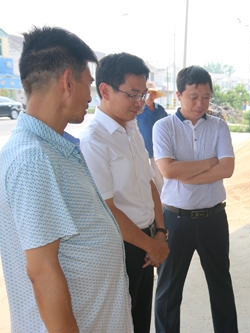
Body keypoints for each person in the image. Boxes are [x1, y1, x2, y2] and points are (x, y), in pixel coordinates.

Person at [0, 26, 133, 332]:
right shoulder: (34, 159)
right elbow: (43, 271)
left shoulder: (52, 148)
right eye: (88, 84)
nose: (90, 95)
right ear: (67, 83)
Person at [78, 53, 170, 333]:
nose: (140, 104)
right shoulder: (94, 140)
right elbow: (107, 209)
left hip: (148, 239)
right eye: (132, 95)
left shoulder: (132, 129)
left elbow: (150, 183)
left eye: (142, 95)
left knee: (141, 321)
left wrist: (160, 233)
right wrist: (151, 245)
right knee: (120, 324)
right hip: (123, 248)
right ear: (105, 90)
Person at [153, 65, 238, 333]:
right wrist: (211, 162)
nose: (200, 103)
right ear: (178, 95)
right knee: (168, 290)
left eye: (206, 97)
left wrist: (187, 172)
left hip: (214, 218)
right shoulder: (163, 127)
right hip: (175, 220)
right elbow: (168, 170)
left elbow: (227, 169)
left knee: (221, 286)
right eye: (193, 96)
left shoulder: (219, 126)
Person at [137, 81, 168, 192]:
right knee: (148, 180)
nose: (150, 96)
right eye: (148, 93)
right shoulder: (138, 111)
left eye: (153, 93)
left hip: (160, 150)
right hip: (143, 151)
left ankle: (162, 204)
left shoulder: (160, 110)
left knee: (161, 179)